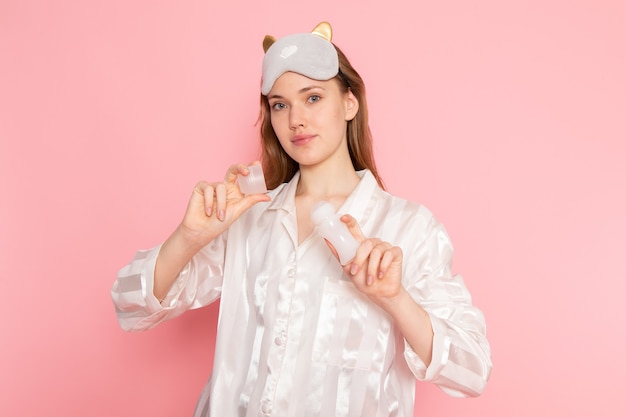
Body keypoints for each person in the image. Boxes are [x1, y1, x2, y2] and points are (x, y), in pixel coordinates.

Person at [111, 21, 492, 417]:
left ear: (349, 103)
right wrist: (189, 237)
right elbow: (131, 308)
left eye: (312, 98)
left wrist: (395, 299)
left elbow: (472, 370)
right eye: (280, 104)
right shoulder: (249, 216)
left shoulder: (410, 227)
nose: (295, 119)